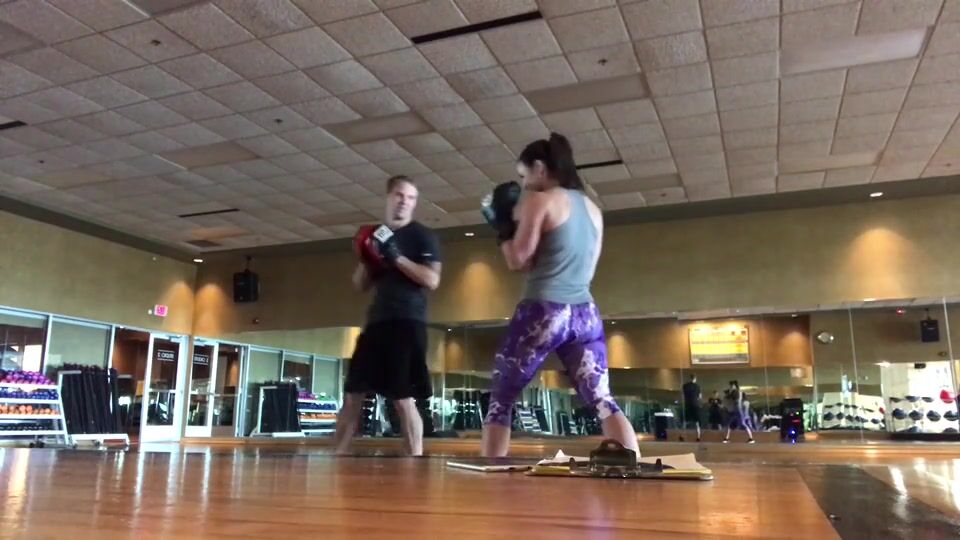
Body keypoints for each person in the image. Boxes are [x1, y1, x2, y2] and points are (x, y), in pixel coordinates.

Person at [478, 132, 640, 457]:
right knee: (603, 400)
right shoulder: (594, 210)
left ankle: (491, 474)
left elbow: (518, 260)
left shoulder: (541, 201)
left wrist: (502, 229)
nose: (524, 185)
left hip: (544, 311)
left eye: (524, 176)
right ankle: (634, 464)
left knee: (502, 398)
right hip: (585, 314)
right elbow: (582, 267)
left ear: (540, 168)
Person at [333, 175, 442, 456]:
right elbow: (360, 285)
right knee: (352, 394)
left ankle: (415, 458)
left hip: (407, 321)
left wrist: (397, 258)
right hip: (377, 322)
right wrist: (367, 258)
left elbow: (432, 280)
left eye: (410, 197)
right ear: (388, 197)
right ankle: (339, 456)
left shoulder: (422, 236)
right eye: (399, 195)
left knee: (403, 398)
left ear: (415, 203)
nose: (404, 202)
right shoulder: (377, 235)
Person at [679, 373, 701, 442]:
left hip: (688, 405)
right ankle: (698, 437)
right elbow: (699, 397)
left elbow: (682, 395)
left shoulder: (685, 386)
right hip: (695, 405)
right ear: (695, 379)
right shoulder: (697, 386)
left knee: (685, 421)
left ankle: (682, 436)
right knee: (697, 422)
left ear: (690, 378)